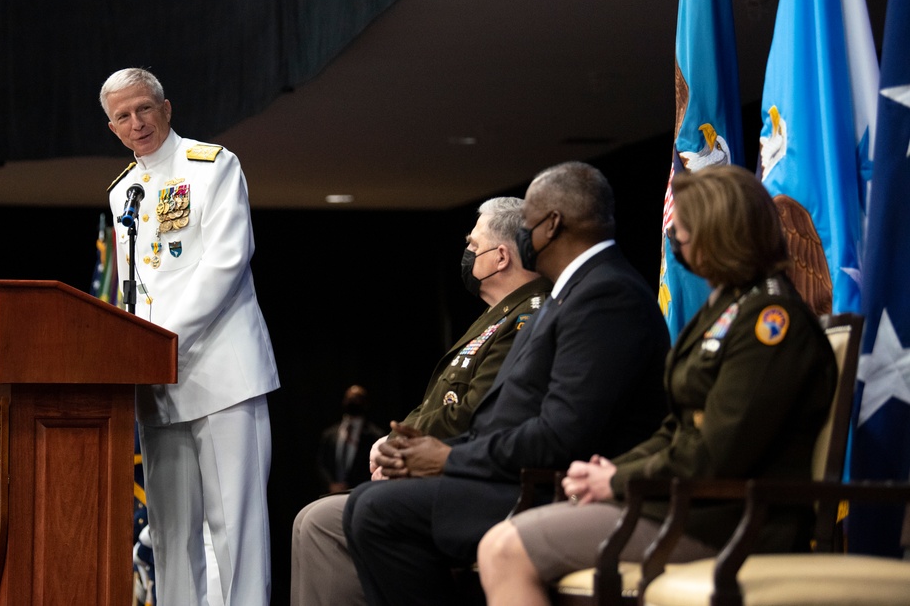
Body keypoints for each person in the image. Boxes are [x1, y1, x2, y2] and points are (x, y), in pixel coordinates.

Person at [477, 164, 838, 606]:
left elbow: (716, 453)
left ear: (718, 230)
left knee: (503, 549)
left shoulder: (771, 323)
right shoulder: (728, 307)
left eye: (684, 228)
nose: (676, 237)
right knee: (507, 537)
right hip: (681, 504)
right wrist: (607, 473)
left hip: (728, 519)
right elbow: (677, 428)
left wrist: (618, 481)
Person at [342, 161, 670, 606]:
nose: (522, 239)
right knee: (367, 505)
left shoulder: (606, 294)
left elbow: (563, 434)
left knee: (378, 513)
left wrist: (449, 458)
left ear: (551, 226)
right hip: (513, 474)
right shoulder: (569, 292)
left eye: (528, 225)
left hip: (544, 487)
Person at [291, 196, 551, 606]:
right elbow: (438, 406)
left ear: (501, 256)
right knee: (311, 518)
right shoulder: (496, 317)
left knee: (325, 521)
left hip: (481, 479)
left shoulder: (527, 317)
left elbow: (474, 412)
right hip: (447, 471)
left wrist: (400, 451)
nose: (466, 253)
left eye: (472, 244)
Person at [101, 67, 281, 606]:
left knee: (237, 535)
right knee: (171, 535)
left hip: (223, 373)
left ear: (167, 108)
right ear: (111, 128)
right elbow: (134, 288)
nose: (137, 124)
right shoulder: (122, 192)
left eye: (144, 109)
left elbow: (226, 263)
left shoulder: (213, 166)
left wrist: (158, 342)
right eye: (123, 117)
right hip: (158, 385)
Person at [316, 385, 384, 494]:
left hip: (361, 494)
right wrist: (331, 484)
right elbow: (322, 463)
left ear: (365, 403)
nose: (353, 401)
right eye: (350, 398)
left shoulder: (375, 436)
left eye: (357, 398)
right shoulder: (329, 434)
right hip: (331, 493)